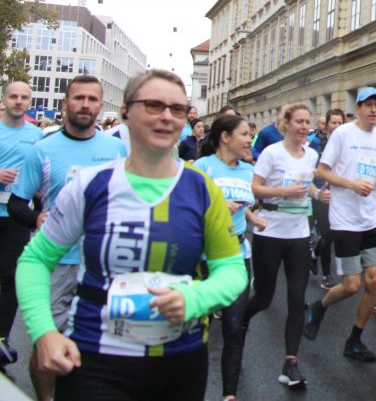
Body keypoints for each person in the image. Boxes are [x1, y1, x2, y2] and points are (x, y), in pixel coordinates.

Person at [15, 69, 246, 400]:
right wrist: (44, 333)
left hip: (179, 362)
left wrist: (198, 298)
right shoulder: (91, 184)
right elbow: (36, 260)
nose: (166, 116)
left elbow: (232, 268)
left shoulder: (201, 188)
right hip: (96, 360)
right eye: (154, 105)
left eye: (177, 109)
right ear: (125, 113)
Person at [8, 75, 126, 400]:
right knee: (46, 345)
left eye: (92, 99)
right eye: (78, 98)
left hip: (101, 262)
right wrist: (37, 217)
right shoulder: (42, 150)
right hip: (57, 262)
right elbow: (17, 203)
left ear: (100, 106)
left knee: (100, 344)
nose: (85, 105)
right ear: (65, 103)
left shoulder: (117, 149)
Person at [305, 87, 376, 363]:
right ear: (358, 108)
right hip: (345, 219)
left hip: (372, 217)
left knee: (373, 281)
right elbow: (321, 171)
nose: (374, 110)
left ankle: (355, 340)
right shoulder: (343, 133)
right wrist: (352, 184)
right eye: (369, 105)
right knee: (352, 285)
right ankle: (319, 306)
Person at [245, 103, 318, 389]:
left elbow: (307, 185)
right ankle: (240, 321)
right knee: (264, 297)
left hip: (298, 232)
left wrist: (317, 194)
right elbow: (255, 187)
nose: (304, 127)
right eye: (299, 121)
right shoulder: (272, 153)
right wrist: (283, 191)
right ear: (286, 124)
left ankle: (291, 363)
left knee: (297, 299)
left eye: (307, 122)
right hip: (270, 229)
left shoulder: (311, 154)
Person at [193, 114, 260, 401]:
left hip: (237, 255)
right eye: (244, 134)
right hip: (203, 256)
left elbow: (246, 204)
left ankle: (229, 394)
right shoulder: (202, 167)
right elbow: (186, 206)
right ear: (225, 137)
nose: (249, 139)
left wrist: (253, 217)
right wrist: (217, 203)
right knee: (198, 329)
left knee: (234, 328)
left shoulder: (248, 171)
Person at [0, 81, 43, 371]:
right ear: (4, 100)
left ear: (30, 101)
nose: (18, 101)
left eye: (24, 97)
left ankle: (1, 339)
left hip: (16, 216)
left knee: (11, 279)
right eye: (13, 96)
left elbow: (41, 171)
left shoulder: (36, 136)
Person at [312, 109, 346, 289]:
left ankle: (315, 251)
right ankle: (326, 275)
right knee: (328, 234)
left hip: (341, 194)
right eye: (334, 122)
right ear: (326, 125)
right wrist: (317, 190)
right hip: (322, 194)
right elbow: (311, 169)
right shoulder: (316, 144)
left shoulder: (347, 143)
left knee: (335, 233)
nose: (337, 126)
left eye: (340, 123)